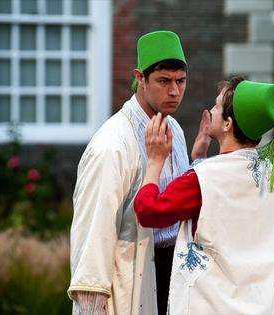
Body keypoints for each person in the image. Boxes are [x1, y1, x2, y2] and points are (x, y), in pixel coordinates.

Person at [134, 77, 274, 314]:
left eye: (217, 106)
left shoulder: (203, 179)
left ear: (227, 123)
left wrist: (155, 160)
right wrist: (199, 159)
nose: (212, 110)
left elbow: (148, 211)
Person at [68, 30, 195, 315]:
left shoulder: (174, 129)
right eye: (164, 81)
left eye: (180, 81)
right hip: (129, 280)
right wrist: (90, 308)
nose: (174, 91)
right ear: (140, 78)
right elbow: (93, 234)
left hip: (174, 276)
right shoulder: (111, 145)